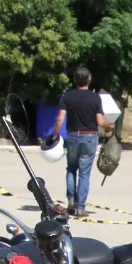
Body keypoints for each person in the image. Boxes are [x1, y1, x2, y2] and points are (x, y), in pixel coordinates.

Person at [52, 65, 114, 217]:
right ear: (89, 79)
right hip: (90, 137)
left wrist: (54, 135)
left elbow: (60, 118)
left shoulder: (68, 96)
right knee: (84, 174)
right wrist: (109, 126)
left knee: (71, 169)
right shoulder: (95, 98)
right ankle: (80, 208)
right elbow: (100, 121)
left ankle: (71, 200)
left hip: (72, 136)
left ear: (75, 80)